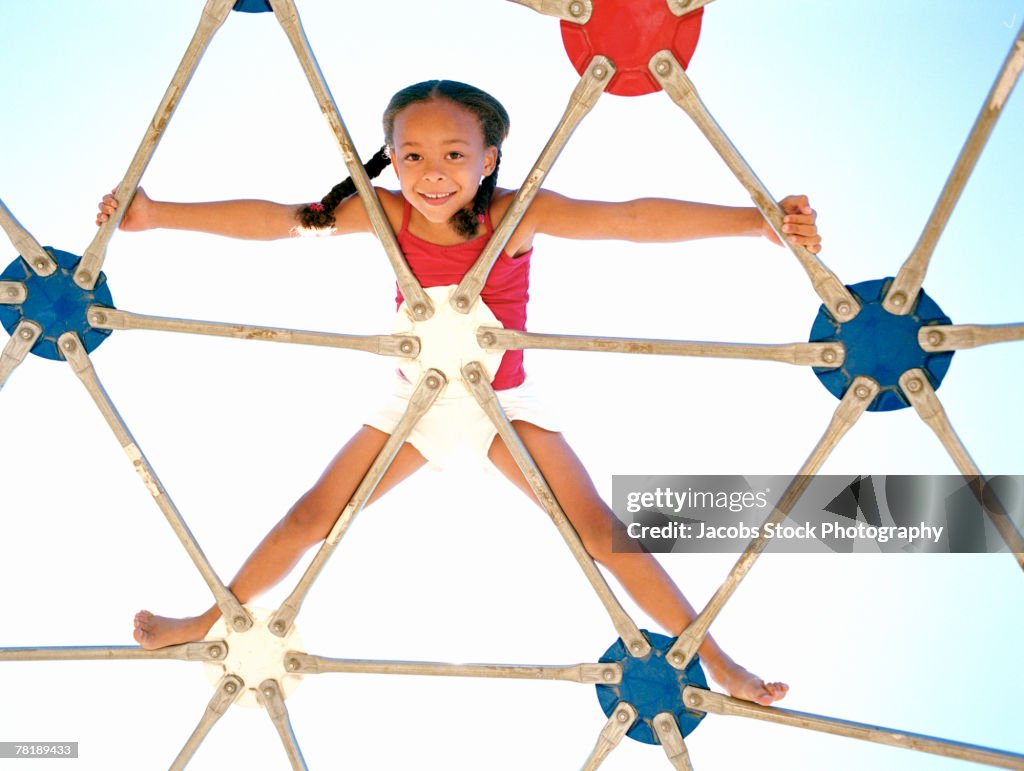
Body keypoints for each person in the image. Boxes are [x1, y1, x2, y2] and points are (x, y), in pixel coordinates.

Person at [97, 80, 820, 706]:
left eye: (453, 154)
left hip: (505, 405)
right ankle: (204, 619)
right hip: (415, 402)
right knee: (308, 516)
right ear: (389, 160)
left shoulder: (516, 216)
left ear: (490, 160)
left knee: (600, 531)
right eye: (411, 155)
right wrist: (157, 214)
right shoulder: (385, 213)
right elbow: (280, 220)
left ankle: (716, 659)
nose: (431, 173)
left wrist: (755, 224)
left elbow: (630, 219)